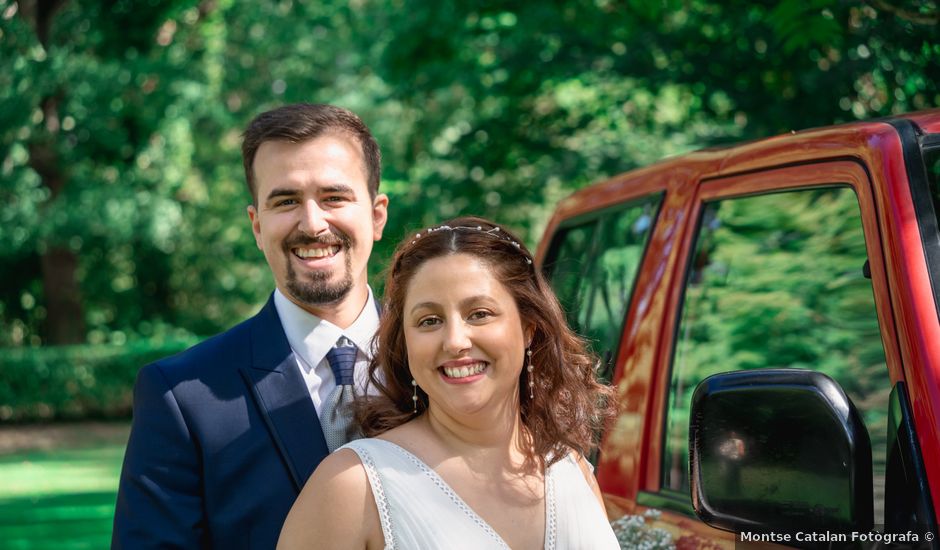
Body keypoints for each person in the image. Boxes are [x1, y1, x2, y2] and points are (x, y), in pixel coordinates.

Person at [112, 103, 389, 549]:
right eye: (286, 201)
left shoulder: (446, 364)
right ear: (257, 226)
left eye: (334, 197)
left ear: (377, 215)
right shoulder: (180, 396)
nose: (313, 223)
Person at [278, 217, 620, 550]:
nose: (455, 341)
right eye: (429, 321)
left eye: (479, 314)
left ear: (529, 327)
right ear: (405, 344)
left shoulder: (571, 469)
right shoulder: (355, 485)